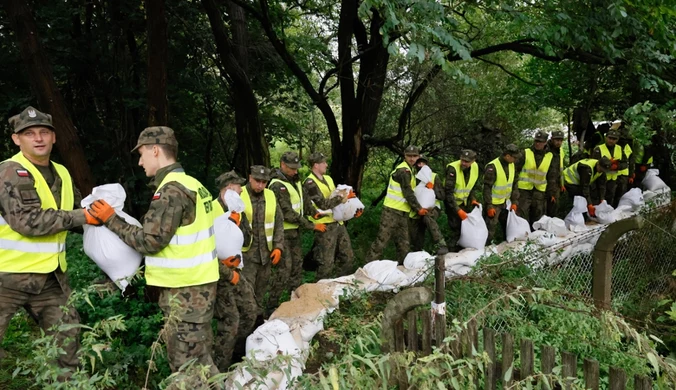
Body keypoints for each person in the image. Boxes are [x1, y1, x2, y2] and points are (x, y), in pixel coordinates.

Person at [87, 126, 220, 377]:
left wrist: (111, 219)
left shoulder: (171, 190)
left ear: (155, 150)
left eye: (141, 154)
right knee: (202, 363)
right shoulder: (194, 184)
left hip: (185, 296)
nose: (139, 162)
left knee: (186, 372)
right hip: (199, 290)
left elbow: (150, 242)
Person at [0, 106, 97, 377]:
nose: (38, 138)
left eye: (44, 132)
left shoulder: (63, 173)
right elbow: (27, 222)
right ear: (16, 140)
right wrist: (85, 216)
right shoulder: (10, 172)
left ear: (54, 137)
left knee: (67, 344)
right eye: (29, 133)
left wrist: (109, 217)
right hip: (7, 277)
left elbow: (79, 211)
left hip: (50, 278)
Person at [211, 170, 257, 370]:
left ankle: (237, 355)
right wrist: (228, 272)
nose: (241, 191)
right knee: (230, 321)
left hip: (236, 272)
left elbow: (246, 240)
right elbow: (202, 250)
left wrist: (239, 220)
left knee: (250, 311)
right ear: (228, 188)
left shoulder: (236, 209)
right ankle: (218, 370)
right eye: (239, 188)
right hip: (217, 276)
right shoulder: (209, 210)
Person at [267, 152, 323, 310]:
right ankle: (271, 306)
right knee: (284, 270)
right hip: (282, 234)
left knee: (297, 267)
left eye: (297, 168)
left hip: (295, 233)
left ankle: (295, 302)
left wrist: (313, 212)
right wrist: (311, 225)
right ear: (282, 165)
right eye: (292, 168)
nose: (295, 171)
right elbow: (287, 212)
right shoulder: (277, 185)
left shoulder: (295, 180)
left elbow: (304, 200)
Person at [366, 145, 427, 264]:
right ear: (405, 156)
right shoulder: (403, 171)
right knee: (382, 241)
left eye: (414, 156)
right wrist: (418, 209)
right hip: (392, 212)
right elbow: (408, 193)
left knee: (404, 244)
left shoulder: (411, 170)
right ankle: (368, 266)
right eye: (409, 156)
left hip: (403, 213)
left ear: (419, 157)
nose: (412, 159)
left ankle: (403, 270)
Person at [239, 165, 284, 312]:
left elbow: (278, 222)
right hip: (246, 256)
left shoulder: (270, 195)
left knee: (260, 294)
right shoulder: (239, 194)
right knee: (246, 295)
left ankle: (256, 326)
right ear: (250, 178)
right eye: (257, 181)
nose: (260, 185)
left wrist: (278, 246)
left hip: (266, 255)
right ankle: (243, 330)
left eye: (264, 182)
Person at [303, 152, 355, 280]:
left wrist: (350, 204)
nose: (326, 164)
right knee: (326, 263)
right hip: (324, 226)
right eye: (323, 163)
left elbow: (336, 201)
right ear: (315, 165)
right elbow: (323, 204)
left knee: (348, 257)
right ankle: (319, 293)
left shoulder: (328, 179)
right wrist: (342, 197)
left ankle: (340, 286)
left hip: (338, 222)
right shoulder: (310, 183)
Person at [513, 130, 557, 226]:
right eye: (536, 141)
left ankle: (535, 237)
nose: (537, 144)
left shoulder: (550, 156)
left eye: (540, 142)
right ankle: (522, 236)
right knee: (521, 215)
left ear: (545, 142)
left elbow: (551, 176)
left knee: (538, 216)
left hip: (539, 191)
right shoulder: (526, 153)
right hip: (524, 190)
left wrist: (551, 192)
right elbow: (515, 170)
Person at [410, 156, 448, 254]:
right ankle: (417, 251)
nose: (421, 165)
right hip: (416, 209)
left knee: (427, 218)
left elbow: (442, 196)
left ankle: (440, 244)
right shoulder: (412, 176)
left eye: (423, 163)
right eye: (419, 163)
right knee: (415, 229)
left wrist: (433, 188)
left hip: (433, 208)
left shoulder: (433, 176)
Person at [483, 144, 520, 245]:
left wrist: (514, 201)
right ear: (507, 156)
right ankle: (484, 251)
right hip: (494, 204)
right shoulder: (492, 167)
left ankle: (506, 249)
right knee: (489, 230)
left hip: (506, 203)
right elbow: (487, 188)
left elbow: (514, 184)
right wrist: (489, 206)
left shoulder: (512, 165)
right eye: (514, 157)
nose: (515, 159)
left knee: (508, 228)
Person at [444, 149, 480, 249]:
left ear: (473, 161)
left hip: (464, 202)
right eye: (462, 160)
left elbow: (471, 185)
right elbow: (448, 193)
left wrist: (473, 198)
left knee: (465, 229)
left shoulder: (475, 167)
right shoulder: (452, 169)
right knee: (456, 229)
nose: (463, 163)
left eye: (467, 162)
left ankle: (463, 249)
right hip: (452, 203)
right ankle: (451, 251)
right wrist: (458, 210)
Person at [591, 130, 627, 207]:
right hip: (600, 180)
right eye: (610, 138)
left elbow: (625, 163)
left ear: (617, 140)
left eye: (614, 139)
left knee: (610, 199)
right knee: (598, 199)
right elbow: (593, 164)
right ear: (606, 138)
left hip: (613, 179)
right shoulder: (598, 149)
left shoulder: (619, 148)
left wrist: (617, 166)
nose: (611, 141)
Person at [546, 131, 566, 217]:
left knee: (554, 208)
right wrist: (551, 192)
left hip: (556, 184)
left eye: (560, 140)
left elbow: (559, 169)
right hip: (545, 184)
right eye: (556, 140)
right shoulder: (546, 150)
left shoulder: (560, 151)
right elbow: (551, 173)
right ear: (552, 139)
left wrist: (561, 184)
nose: (559, 142)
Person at [615, 128, 635, 205]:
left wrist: (631, 174)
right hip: (612, 174)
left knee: (621, 195)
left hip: (623, 174)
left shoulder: (627, 147)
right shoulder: (613, 147)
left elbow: (631, 161)